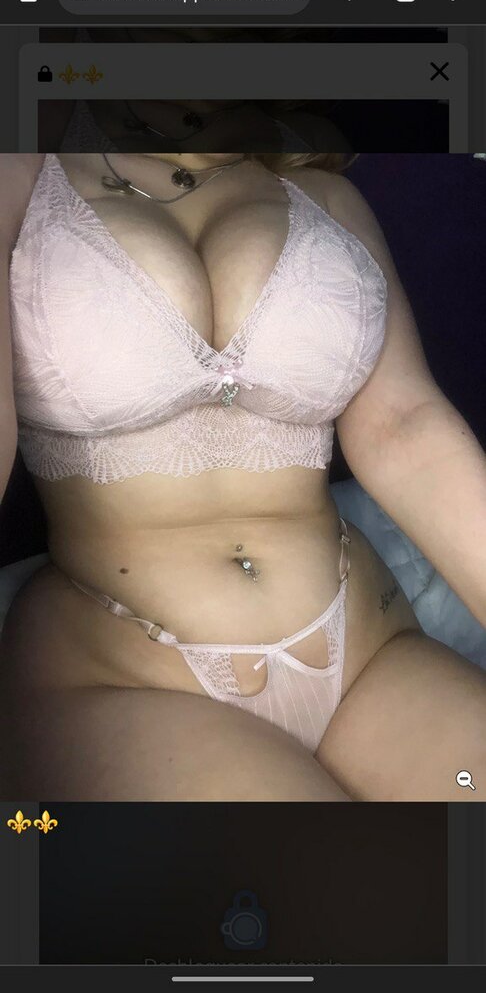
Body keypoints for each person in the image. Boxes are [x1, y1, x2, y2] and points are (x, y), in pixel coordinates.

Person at [0, 151, 485, 801]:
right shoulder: (20, 173)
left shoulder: (327, 196)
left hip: (368, 655)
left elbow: (406, 426)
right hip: (120, 673)